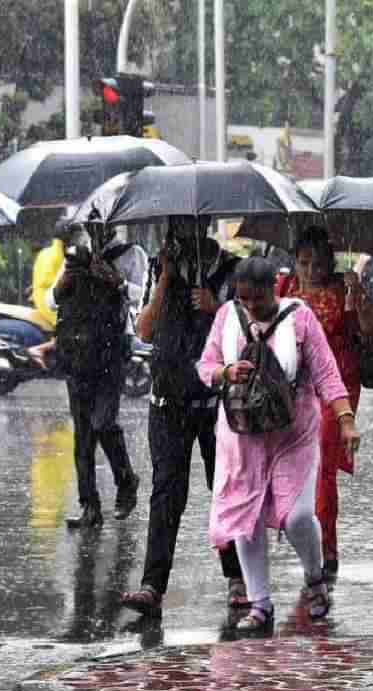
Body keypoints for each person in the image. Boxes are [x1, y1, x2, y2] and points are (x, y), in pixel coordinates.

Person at [197, 257, 360, 630]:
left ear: (274, 288)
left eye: (257, 298)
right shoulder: (227, 317)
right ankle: (260, 604)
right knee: (245, 519)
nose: (250, 306)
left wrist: (346, 421)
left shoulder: (300, 319)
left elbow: (327, 374)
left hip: (294, 433)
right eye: (243, 299)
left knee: (298, 516)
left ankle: (315, 579)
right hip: (241, 437)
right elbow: (205, 366)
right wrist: (226, 372)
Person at [120, 217, 247, 616]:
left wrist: (217, 307)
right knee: (166, 494)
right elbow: (143, 330)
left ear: (205, 224)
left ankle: (238, 578)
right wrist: (164, 281)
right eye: (175, 227)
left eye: (189, 225)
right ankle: (152, 586)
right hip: (167, 402)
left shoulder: (230, 269)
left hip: (215, 403)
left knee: (223, 489)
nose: (179, 235)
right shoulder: (161, 269)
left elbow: (249, 328)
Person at [276, 228, 373, 576]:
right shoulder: (284, 289)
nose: (310, 271)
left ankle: (326, 545)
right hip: (293, 386)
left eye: (318, 263)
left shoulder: (343, 290)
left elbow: (370, 331)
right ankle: (299, 532)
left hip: (336, 384)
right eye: (304, 263)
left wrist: (358, 295)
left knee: (323, 464)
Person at [49, 227, 145, 529]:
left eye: (100, 225)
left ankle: (126, 479)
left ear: (112, 226)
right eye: (91, 226)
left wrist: (116, 281)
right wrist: (69, 275)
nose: (95, 231)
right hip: (77, 351)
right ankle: (89, 506)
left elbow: (141, 296)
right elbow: (53, 300)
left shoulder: (131, 254)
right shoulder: (77, 253)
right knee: (83, 434)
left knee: (103, 422)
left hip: (111, 350)